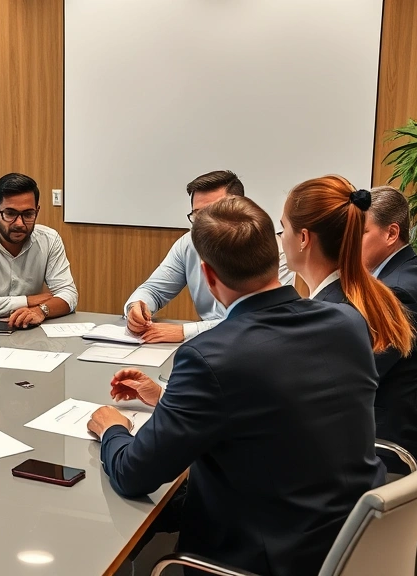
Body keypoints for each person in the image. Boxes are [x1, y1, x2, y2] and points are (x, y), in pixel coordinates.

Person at [87, 196, 384, 576]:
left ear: (209, 277)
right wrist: (165, 399)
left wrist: (112, 428)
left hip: (260, 558)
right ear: (275, 256)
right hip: (348, 539)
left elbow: (133, 474)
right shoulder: (347, 321)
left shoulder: (210, 356)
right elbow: (270, 409)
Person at [123, 170, 294, 343]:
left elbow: (264, 317)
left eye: (213, 212)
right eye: (197, 214)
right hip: (208, 344)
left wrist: (185, 331)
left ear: (239, 208)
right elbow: (154, 289)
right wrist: (136, 307)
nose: (204, 223)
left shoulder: (272, 249)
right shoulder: (188, 243)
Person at [279, 175, 414, 357]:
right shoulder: (369, 296)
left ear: (303, 238)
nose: (281, 237)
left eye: (283, 228)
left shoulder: (317, 321)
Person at [362, 186, 417, 472]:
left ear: (391, 234)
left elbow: (361, 374)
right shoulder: (407, 272)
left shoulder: (398, 292)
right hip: (400, 412)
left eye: (360, 233)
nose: (348, 244)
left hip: (385, 438)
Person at [0, 172, 78, 327]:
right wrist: (27, 301)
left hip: (30, 330)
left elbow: (69, 294)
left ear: (37, 211)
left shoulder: (49, 239)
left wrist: (41, 311)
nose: (19, 223)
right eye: (10, 213)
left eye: (28, 214)